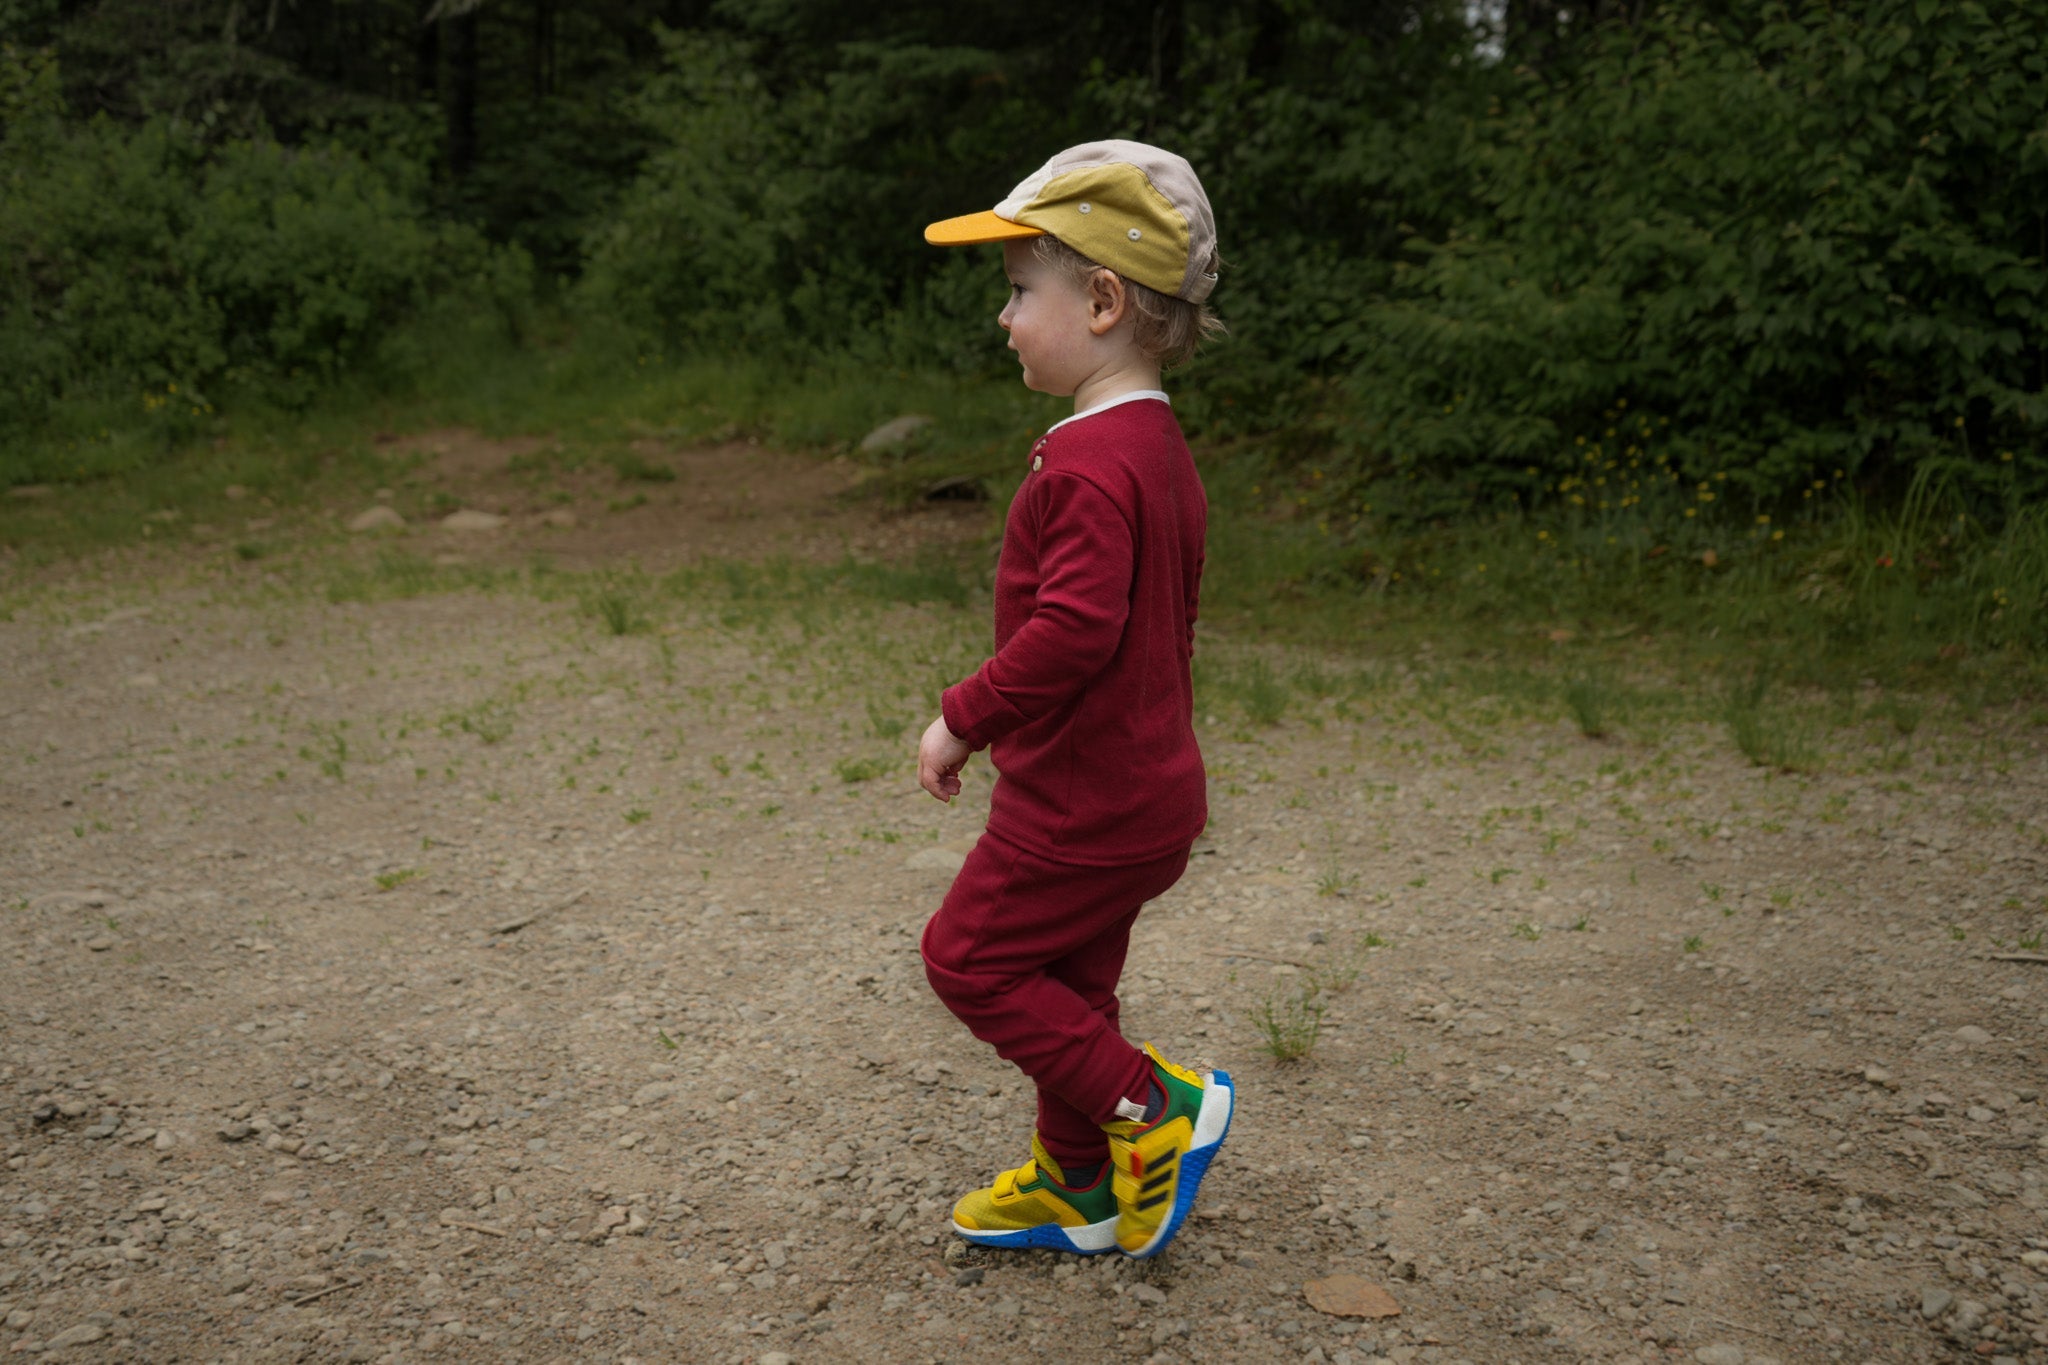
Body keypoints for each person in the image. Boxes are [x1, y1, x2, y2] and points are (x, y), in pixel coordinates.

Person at [914, 140, 1234, 1260]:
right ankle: (1078, 1182)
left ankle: (1154, 1113)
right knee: (1065, 987)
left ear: (1101, 301)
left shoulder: (1088, 467)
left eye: (1017, 292)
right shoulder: (1152, 448)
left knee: (968, 957)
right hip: (1141, 792)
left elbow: (1073, 632)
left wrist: (963, 714)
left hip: (1079, 805)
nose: (1004, 319)